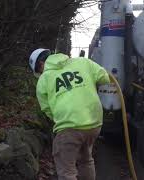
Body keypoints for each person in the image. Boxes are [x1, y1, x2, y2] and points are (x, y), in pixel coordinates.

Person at [29, 48, 110, 180]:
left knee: (66, 170)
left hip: (69, 126)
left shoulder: (44, 79)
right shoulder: (83, 62)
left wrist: (61, 120)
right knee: (86, 160)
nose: (41, 73)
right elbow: (105, 78)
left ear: (41, 64)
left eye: (39, 71)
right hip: (94, 123)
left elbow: (47, 110)